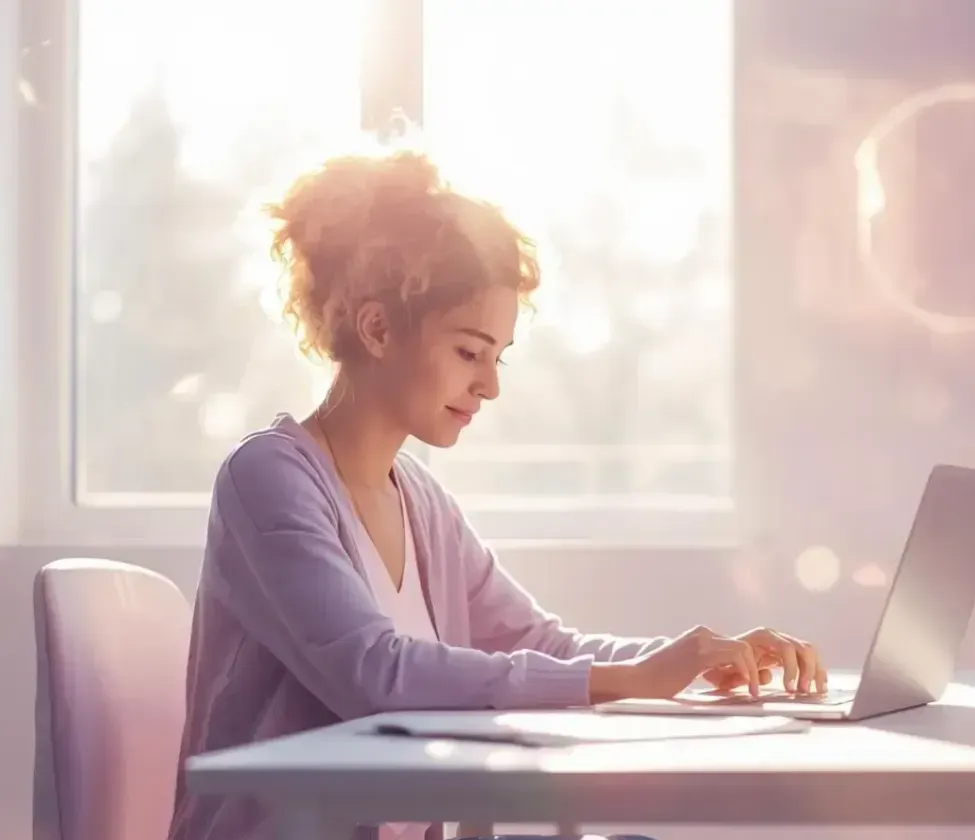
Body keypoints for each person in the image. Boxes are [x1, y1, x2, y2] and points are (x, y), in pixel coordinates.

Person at [167, 148, 826, 840]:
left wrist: (695, 660)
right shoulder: (269, 479)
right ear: (377, 328)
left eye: (498, 356)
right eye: (468, 352)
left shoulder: (420, 502)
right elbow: (373, 673)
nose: (490, 385)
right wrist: (632, 677)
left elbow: (543, 643)